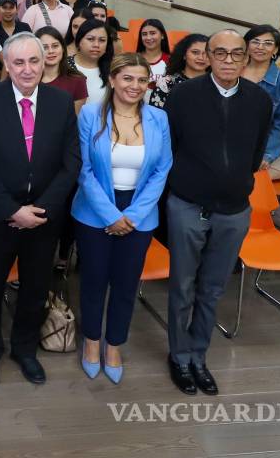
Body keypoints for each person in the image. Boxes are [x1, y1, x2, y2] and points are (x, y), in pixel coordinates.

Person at [0, 31, 80, 388]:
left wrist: (41, 209)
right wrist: (13, 210)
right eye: (18, 62)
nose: (27, 69)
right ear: (7, 64)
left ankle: (25, 348)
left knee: (35, 287)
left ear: (45, 62)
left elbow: (71, 163)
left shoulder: (61, 102)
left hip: (44, 219)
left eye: (34, 60)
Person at [164, 29, 272, 396]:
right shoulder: (183, 96)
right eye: (220, 53)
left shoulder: (259, 100)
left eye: (236, 53)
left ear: (246, 58)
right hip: (188, 204)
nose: (228, 60)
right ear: (208, 56)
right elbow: (171, 146)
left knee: (212, 289)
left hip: (234, 210)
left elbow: (255, 153)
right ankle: (179, 356)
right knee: (182, 286)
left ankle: (198, 355)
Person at [71, 54, 172, 384]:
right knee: (94, 280)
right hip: (94, 210)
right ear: (112, 80)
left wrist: (133, 215)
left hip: (139, 213)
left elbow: (162, 169)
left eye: (142, 80)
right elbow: (84, 170)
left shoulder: (158, 118)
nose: (135, 86)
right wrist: (111, 215)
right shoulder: (91, 114)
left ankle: (114, 344)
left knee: (126, 284)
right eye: (128, 78)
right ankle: (91, 341)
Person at [241, 25, 280, 170]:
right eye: (255, 41)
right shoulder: (231, 71)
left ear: (276, 50)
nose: (260, 47)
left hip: (256, 149)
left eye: (268, 43)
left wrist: (266, 155)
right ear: (246, 45)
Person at [148, 34, 210, 109]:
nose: (201, 57)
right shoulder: (167, 84)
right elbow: (155, 114)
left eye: (207, 53)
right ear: (184, 55)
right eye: (195, 52)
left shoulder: (217, 83)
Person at [36, 27, 87, 113]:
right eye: (44, 47)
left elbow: (74, 117)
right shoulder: (29, 80)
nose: (51, 51)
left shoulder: (77, 80)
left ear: (63, 48)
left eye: (55, 46)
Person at [69, 19, 114, 106]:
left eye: (102, 40)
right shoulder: (64, 65)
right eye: (90, 39)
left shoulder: (113, 69)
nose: (96, 45)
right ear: (79, 41)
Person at [136, 19, 171, 94]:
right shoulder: (133, 59)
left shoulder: (170, 61)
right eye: (144, 34)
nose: (148, 37)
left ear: (162, 35)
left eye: (152, 33)